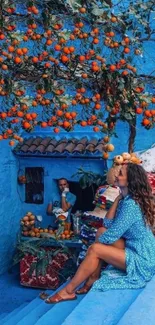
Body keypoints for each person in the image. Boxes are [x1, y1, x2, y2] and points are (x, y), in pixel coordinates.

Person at [45, 163, 155, 303]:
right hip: (135, 247)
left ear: (129, 181)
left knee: (96, 249)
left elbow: (111, 236)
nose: (116, 175)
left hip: (143, 258)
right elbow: (107, 225)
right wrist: (117, 199)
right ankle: (93, 277)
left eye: (120, 173)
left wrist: (94, 250)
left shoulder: (131, 205)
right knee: (101, 232)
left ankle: (68, 291)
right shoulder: (125, 200)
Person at [77, 166, 121, 265]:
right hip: (101, 222)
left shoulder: (103, 189)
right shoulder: (120, 192)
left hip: (97, 221)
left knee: (90, 251)